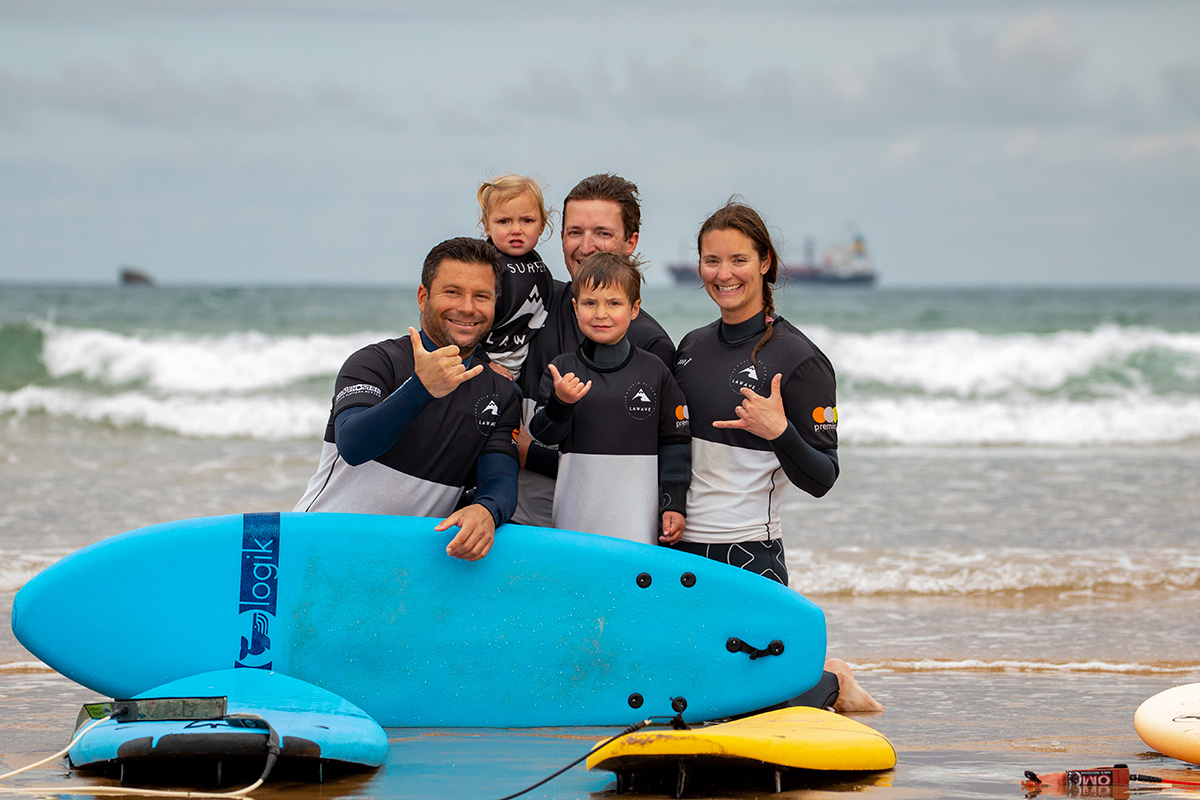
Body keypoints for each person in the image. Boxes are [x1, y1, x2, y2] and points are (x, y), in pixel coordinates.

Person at [671, 200, 883, 713]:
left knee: (756, 701)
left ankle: (832, 681)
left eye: (738, 260)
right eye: (712, 261)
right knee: (692, 693)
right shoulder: (690, 348)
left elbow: (823, 477)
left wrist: (780, 430)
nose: (724, 275)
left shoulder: (799, 359)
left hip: (748, 551)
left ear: (765, 262)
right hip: (678, 549)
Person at [294, 237, 521, 562]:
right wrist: (421, 389)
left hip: (404, 570)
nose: (468, 307)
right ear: (423, 296)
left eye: (481, 296)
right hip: (318, 548)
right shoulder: (375, 363)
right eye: (452, 292)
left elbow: (499, 478)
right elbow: (354, 445)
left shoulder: (499, 394)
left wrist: (486, 511)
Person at [512, 173, 675, 527]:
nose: (585, 246)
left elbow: (634, 467)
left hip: (598, 530)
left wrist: (528, 453)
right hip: (517, 522)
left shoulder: (650, 345)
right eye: (575, 232)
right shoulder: (529, 308)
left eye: (602, 233)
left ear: (631, 241)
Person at [528, 252, 691, 544]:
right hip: (574, 521)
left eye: (613, 303)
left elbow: (675, 442)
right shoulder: (563, 369)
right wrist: (560, 403)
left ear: (634, 308)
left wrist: (674, 503)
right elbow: (543, 435)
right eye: (590, 303)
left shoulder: (654, 371)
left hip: (638, 524)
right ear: (576, 308)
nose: (601, 314)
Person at [475, 175, 555, 381]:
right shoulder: (481, 267)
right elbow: (465, 321)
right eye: (504, 221)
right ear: (486, 225)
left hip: (525, 366)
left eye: (527, 221)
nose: (516, 230)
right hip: (487, 364)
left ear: (542, 225)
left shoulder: (540, 269)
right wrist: (481, 360)